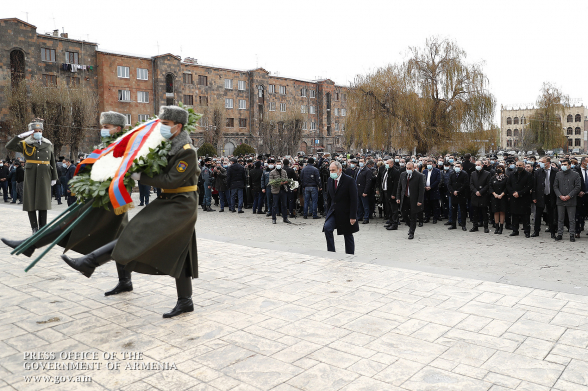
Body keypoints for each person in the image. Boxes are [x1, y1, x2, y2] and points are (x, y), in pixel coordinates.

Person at [61, 105, 200, 318]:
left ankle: (90, 261)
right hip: (169, 201)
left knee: (135, 233)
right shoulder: (166, 145)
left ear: (178, 126)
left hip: (181, 203)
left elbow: (171, 180)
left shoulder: (187, 151)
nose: (160, 127)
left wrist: (139, 177)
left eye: (165, 124)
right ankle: (186, 301)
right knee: (181, 250)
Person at [5, 119, 58, 233]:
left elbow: (52, 160)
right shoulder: (25, 143)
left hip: (45, 174)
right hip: (31, 175)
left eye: (40, 131)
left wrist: (54, 177)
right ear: (30, 133)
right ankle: (34, 228)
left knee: (43, 202)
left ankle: (43, 228)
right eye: (35, 131)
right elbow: (9, 146)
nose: (38, 133)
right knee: (31, 202)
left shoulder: (48, 143)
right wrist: (19, 137)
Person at [323, 161, 359, 254]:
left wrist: (353, 216)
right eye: (330, 170)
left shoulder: (349, 181)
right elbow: (329, 198)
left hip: (346, 213)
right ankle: (331, 252)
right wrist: (328, 214)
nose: (331, 172)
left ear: (340, 170)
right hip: (333, 212)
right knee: (327, 228)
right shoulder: (330, 180)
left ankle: (350, 255)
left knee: (347, 235)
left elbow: (354, 200)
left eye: (333, 170)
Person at [396, 162, 425, 239]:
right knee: (404, 214)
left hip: (414, 199)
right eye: (407, 168)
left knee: (413, 216)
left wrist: (420, 201)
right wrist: (398, 197)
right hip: (404, 198)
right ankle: (411, 226)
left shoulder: (419, 176)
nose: (408, 170)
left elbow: (421, 190)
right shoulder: (403, 174)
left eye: (410, 168)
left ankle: (412, 232)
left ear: (413, 168)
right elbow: (399, 187)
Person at [554, 159, 581, 242]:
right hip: (560, 200)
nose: (563, 166)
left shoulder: (575, 174)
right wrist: (560, 195)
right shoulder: (558, 174)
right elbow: (555, 186)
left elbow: (577, 187)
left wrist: (569, 196)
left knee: (571, 219)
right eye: (562, 164)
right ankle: (560, 234)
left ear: (569, 165)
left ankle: (572, 234)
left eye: (565, 164)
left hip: (571, 200)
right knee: (560, 218)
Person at [533, 157, 558, 238]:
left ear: (548, 162)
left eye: (542, 162)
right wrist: (534, 197)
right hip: (541, 196)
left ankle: (552, 232)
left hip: (551, 195)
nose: (539, 163)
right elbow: (535, 185)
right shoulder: (538, 172)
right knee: (538, 215)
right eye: (539, 162)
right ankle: (536, 231)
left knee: (551, 215)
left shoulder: (555, 171)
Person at [506, 160, 533, 237]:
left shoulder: (528, 175)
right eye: (517, 165)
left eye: (520, 165)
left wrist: (520, 193)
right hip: (514, 197)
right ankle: (515, 230)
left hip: (524, 198)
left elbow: (529, 186)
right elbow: (508, 184)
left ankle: (527, 231)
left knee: (525, 216)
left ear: (523, 166)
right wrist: (513, 193)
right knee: (514, 215)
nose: (518, 167)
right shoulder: (512, 174)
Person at [469, 160, 491, 233]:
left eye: (479, 165)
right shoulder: (473, 173)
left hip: (483, 195)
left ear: (482, 165)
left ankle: (486, 227)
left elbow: (488, 185)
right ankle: (475, 226)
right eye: (476, 165)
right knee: (475, 212)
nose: (477, 166)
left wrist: (481, 192)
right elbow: (471, 184)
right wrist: (476, 191)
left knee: (484, 212)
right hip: (475, 195)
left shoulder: (487, 174)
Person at [447, 162, 469, 231]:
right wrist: (453, 191)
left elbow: (465, 184)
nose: (457, 167)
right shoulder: (452, 174)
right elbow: (449, 184)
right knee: (453, 210)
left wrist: (458, 191)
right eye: (456, 166)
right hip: (453, 195)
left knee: (462, 210)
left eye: (458, 166)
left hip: (461, 195)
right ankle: (453, 225)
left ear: (461, 167)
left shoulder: (464, 174)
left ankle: (463, 225)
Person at [269, 160, 292, 224]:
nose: (278, 165)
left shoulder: (284, 171)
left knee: (284, 205)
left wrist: (286, 182)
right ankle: (274, 218)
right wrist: (279, 183)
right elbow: (271, 182)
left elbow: (286, 178)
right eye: (277, 164)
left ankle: (285, 218)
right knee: (275, 205)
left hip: (283, 190)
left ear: (281, 164)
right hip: (276, 191)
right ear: (275, 165)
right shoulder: (272, 172)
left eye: (279, 164)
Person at [489, 165, 507, 234]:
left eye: (501, 168)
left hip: (503, 197)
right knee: (496, 211)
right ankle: (497, 227)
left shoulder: (506, 178)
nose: (499, 170)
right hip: (494, 197)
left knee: (502, 211)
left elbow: (507, 187)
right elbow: (490, 186)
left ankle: (501, 227)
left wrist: (502, 194)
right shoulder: (493, 178)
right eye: (498, 168)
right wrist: (494, 194)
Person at [355, 158, 373, 224]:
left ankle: (366, 218)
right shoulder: (358, 170)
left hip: (363, 191)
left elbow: (368, 182)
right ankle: (360, 216)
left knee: (365, 205)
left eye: (362, 161)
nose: (360, 163)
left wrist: (365, 192)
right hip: (358, 190)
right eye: (359, 161)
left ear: (365, 162)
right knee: (359, 205)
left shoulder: (367, 171)